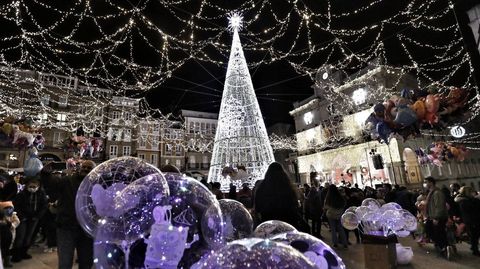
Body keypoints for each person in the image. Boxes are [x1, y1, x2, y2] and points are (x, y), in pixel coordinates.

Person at [41, 160, 95, 269]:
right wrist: (46, 173)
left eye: (89, 168)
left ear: (94, 170)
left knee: (86, 262)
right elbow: (52, 183)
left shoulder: (97, 185)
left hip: (87, 230)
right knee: (65, 262)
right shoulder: (68, 180)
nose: (85, 169)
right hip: (66, 227)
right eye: (84, 167)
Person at [254, 162, 308, 232]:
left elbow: (257, 208)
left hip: (269, 224)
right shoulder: (288, 187)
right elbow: (294, 205)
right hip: (288, 223)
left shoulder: (262, 188)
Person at [11, 177, 47, 262]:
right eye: (31, 186)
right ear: (27, 186)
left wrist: (38, 216)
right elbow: (16, 205)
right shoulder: (21, 194)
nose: (33, 188)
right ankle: (16, 254)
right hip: (23, 218)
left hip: (34, 218)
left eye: (35, 186)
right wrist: (21, 216)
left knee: (29, 236)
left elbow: (44, 206)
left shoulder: (41, 194)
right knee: (20, 236)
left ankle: (24, 252)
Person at [424, 176, 449, 258]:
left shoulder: (437, 193)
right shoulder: (431, 192)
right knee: (431, 231)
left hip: (438, 217)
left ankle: (444, 249)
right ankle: (441, 247)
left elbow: (439, 206)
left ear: (431, 182)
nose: (425, 184)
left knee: (439, 234)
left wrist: (437, 218)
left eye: (426, 182)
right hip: (432, 216)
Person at [454, 186, 480, 256]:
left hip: (469, 220)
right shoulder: (466, 201)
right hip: (472, 220)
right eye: (472, 191)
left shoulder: (463, 200)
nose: (473, 193)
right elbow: (474, 209)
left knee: (474, 236)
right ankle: (475, 250)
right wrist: (476, 199)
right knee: (474, 236)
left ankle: (474, 248)